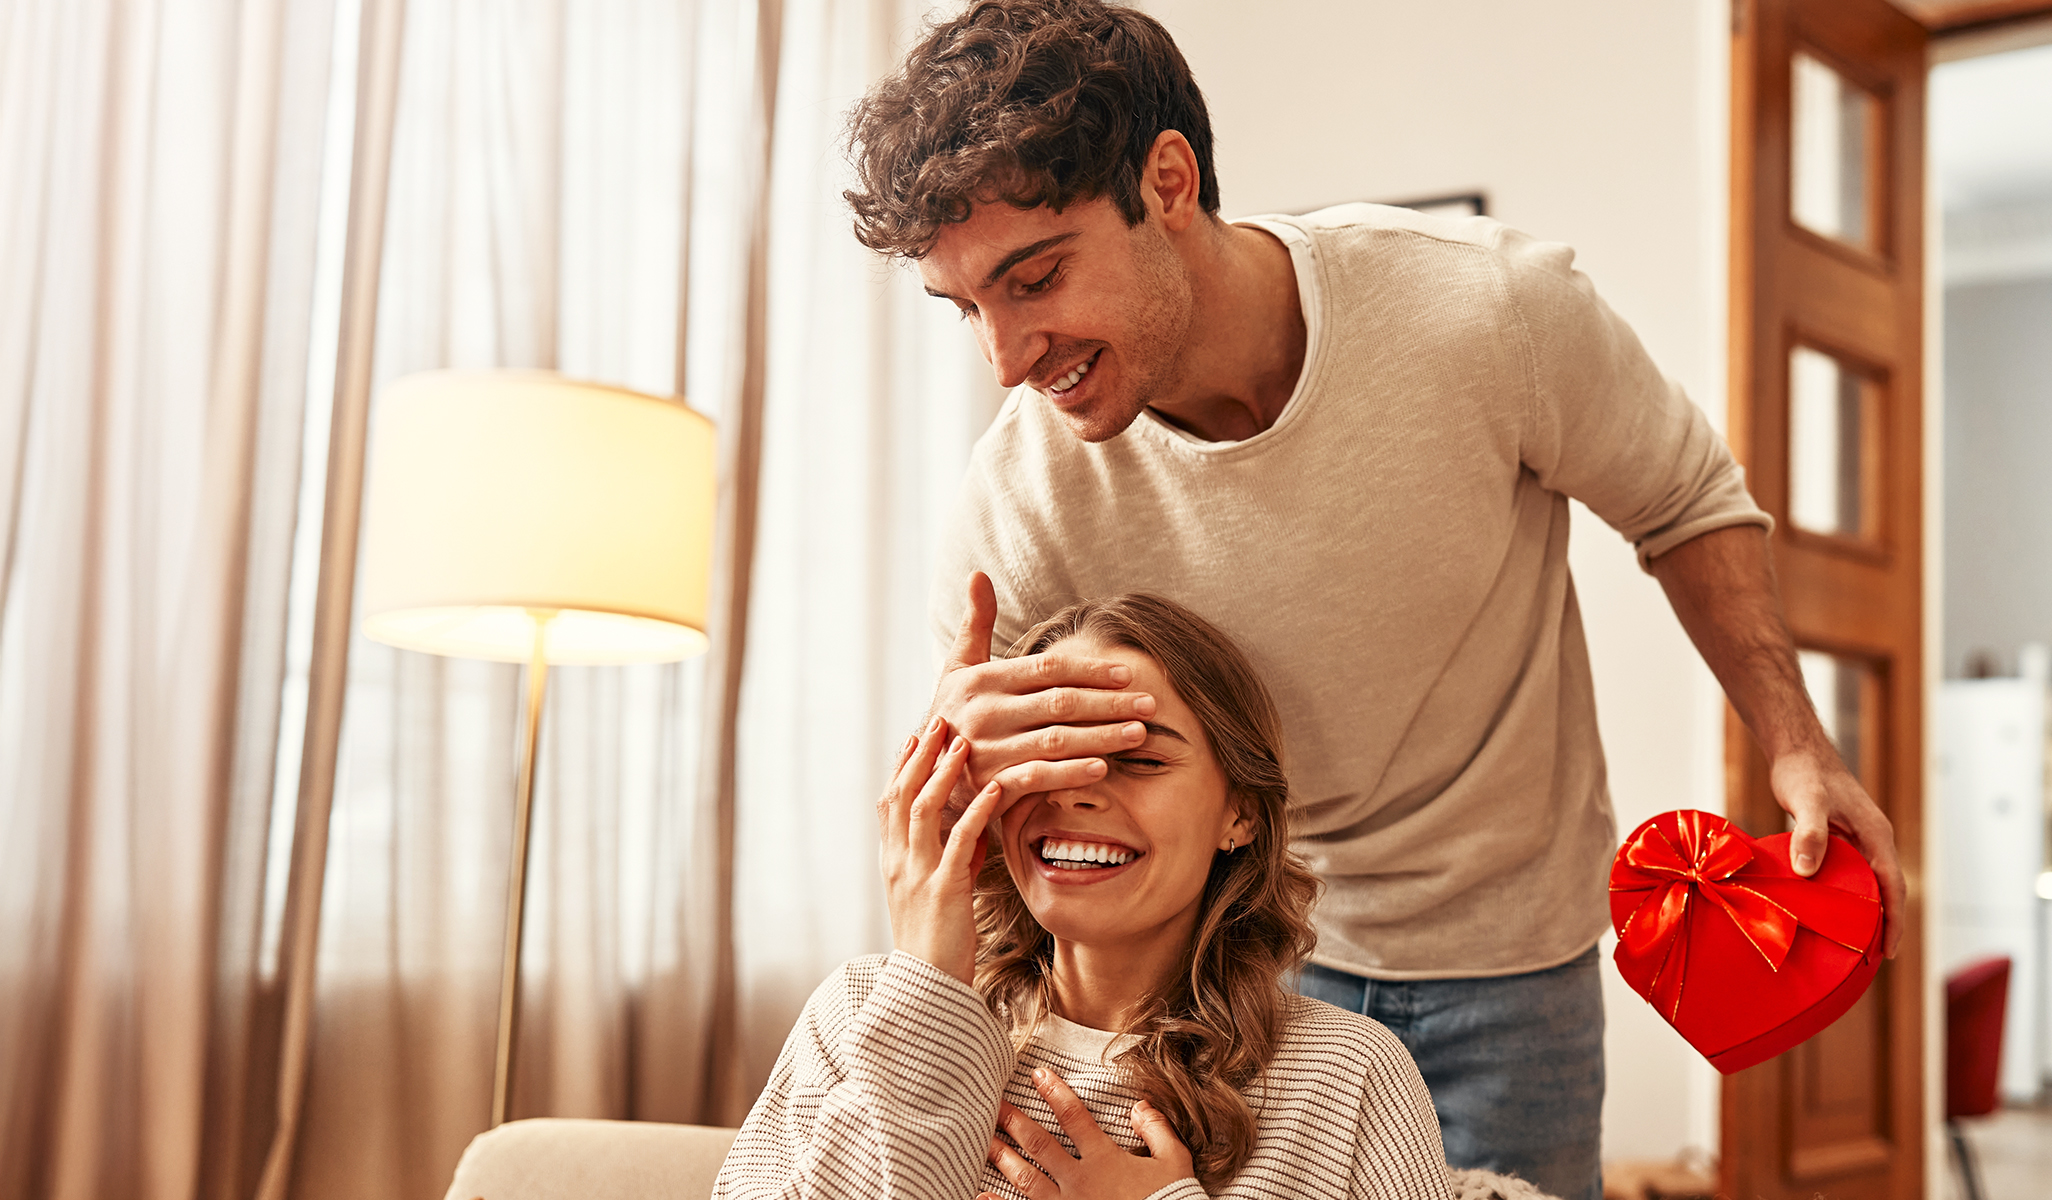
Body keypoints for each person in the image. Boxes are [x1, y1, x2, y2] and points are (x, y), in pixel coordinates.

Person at [844, 3, 1907, 1197]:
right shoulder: (1018, 503)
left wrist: (1799, 744)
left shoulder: (1486, 311)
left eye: (1034, 279)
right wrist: (971, 774)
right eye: (966, 307)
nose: (1005, 356)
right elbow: (977, 829)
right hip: (1232, 969)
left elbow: (1685, 500)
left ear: (1171, 179)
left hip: (1511, 953)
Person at [714, 593, 1456, 1200]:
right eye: (1047, 752)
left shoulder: (1345, 1077)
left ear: (1241, 814)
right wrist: (929, 990)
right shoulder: (860, 1013)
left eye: (1137, 758)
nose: (1078, 793)